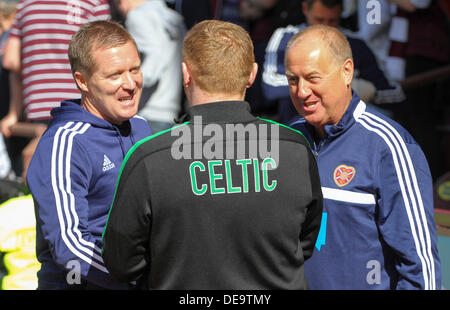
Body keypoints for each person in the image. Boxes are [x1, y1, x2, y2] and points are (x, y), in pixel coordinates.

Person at [102, 19, 323, 290]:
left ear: (186, 73)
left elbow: (122, 263)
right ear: (252, 74)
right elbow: (305, 242)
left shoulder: (149, 157)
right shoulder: (295, 147)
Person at [286, 24, 441, 289]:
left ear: (347, 71)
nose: (301, 91)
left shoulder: (388, 146)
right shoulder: (288, 139)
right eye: (292, 79)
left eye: (313, 78)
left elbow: (421, 269)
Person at [26, 20, 152, 290]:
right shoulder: (66, 143)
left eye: (135, 69)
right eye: (115, 75)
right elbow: (69, 245)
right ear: (82, 81)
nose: (130, 83)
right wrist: (131, 276)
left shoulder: (141, 128)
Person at [0, 0, 111, 180]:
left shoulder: (26, 4)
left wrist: (13, 113)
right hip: (83, 106)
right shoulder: (93, 2)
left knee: (41, 181)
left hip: (37, 109)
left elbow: (11, 60)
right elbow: (108, 53)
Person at [262, 0, 405, 124]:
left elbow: (394, 93)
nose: (325, 27)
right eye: (319, 20)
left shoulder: (356, 45)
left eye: (332, 21)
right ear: (305, 9)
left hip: (347, 131)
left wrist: (365, 91)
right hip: (298, 129)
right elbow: (269, 87)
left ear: (340, 14)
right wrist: (334, 87)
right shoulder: (286, 38)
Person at [115, 0, 185, 133]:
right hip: (170, 111)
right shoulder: (170, 16)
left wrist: (130, 84)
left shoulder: (138, 16)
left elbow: (155, 57)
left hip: (147, 112)